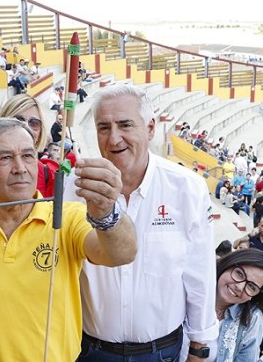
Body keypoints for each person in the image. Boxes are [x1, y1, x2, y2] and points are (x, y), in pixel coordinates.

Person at [0, 118, 138, 361]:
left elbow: (122, 254)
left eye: (27, 156)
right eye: (5, 158)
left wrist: (107, 212)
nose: (20, 168)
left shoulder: (67, 219)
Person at [68, 86, 218, 362]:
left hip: (161, 352)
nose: (114, 139)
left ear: (150, 128)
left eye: (125, 125)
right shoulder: (73, 189)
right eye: (103, 128)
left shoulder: (188, 189)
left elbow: (199, 275)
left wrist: (200, 347)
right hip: (89, 350)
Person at [211, 249, 263, 362]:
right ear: (228, 264)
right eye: (239, 274)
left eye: (251, 287)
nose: (239, 287)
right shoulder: (193, 286)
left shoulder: (252, 319)